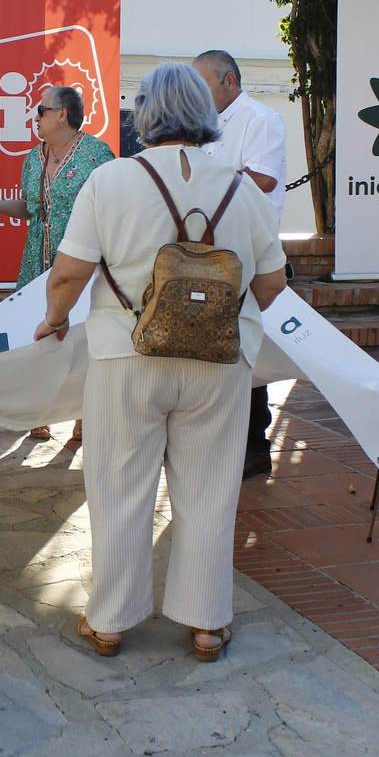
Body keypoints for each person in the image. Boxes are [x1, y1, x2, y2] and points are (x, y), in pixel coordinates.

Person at [35, 62, 287, 663]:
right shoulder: (241, 186)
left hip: (127, 357)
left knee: (119, 489)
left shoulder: (112, 180)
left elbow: (69, 272)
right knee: (209, 493)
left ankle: (111, 621)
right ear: (205, 110)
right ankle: (205, 623)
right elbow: (274, 284)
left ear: (144, 114)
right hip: (219, 362)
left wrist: (55, 317)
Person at [0, 84, 115, 440]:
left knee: (82, 336)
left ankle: (82, 414)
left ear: (62, 115)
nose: (35, 117)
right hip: (37, 263)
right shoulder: (33, 158)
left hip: (82, 264)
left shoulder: (98, 156)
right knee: (36, 335)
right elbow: (30, 208)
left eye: (41, 111)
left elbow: (113, 211)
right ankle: (39, 410)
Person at [192, 50, 288, 480]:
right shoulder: (207, 126)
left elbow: (263, 178)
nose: (197, 92)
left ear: (229, 80)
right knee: (216, 344)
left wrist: (209, 184)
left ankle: (253, 445)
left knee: (243, 343)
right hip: (210, 249)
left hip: (246, 250)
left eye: (204, 82)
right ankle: (220, 437)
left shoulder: (259, 118)